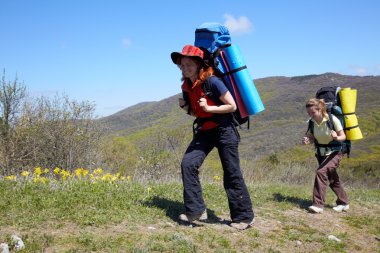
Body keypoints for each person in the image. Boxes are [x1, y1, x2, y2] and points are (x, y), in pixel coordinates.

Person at [170, 45, 254, 230]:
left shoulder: (213, 82)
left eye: (189, 64)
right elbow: (196, 113)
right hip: (205, 129)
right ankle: (197, 210)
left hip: (225, 129)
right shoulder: (187, 86)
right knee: (188, 164)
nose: (185, 68)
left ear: (199, 64)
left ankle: (243, 217)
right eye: (182, 65)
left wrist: (210, 109)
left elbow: (231, 105)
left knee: (231, 172)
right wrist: (186, 108)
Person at [303, 98, 349, 213]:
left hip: (335, 152)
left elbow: (343, 137)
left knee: (321, 172)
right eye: (309, 113)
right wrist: (308, 139)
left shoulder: (332, 119)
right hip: (321, 153)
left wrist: (336, 137)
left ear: (320, 109)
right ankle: (343, 203)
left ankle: (317, 205)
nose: (311, 115)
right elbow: (312, 137)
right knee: (332, 178)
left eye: (313, 112)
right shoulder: (311, 122)